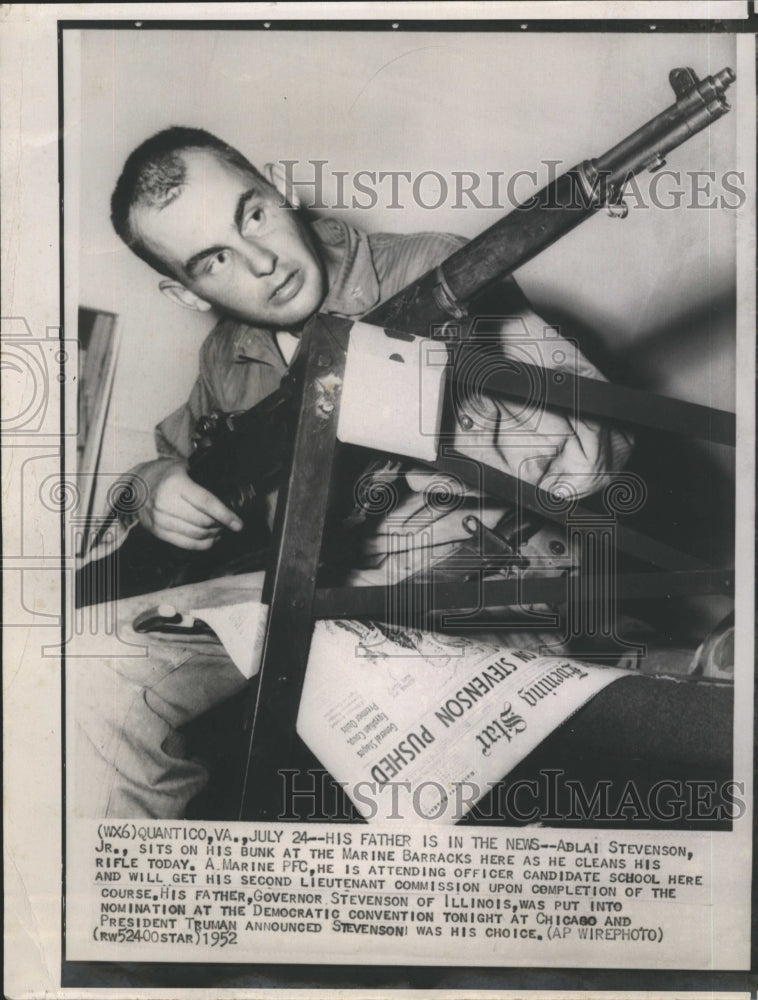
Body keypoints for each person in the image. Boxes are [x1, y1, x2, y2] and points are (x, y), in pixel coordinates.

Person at [72, 126, 632, 818]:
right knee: (89, 677)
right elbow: (174, 460)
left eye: (252, 213)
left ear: (281, 189)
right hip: (299, 595)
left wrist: (433, 405)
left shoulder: (434, 273)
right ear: (184, 294)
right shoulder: (228, 354)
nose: (262, 262)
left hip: (476, 586)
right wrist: (153, 484)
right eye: (213, 260)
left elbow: (598, 457)